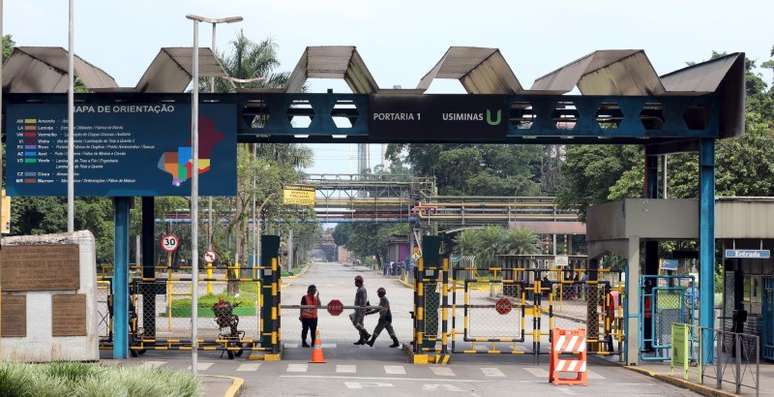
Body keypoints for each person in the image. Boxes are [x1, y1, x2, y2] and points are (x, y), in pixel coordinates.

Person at [349, 275, 371, 345]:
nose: (354, 283)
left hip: (360, 310)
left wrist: (360, 310)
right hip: (358, 309)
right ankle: (362, 339)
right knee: (360, 324)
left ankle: (366, 333)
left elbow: (363, 301)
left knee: (354, 321)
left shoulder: (362, 289)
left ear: (359, 282)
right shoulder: (359, 289)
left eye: (355, 281)